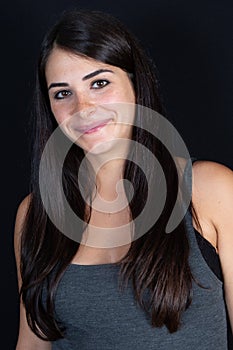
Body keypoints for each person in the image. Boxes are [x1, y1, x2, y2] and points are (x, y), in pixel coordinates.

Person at [14, 9, 233, 350]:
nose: (83, 108)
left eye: (99, 83)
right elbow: (32, 344)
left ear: (135, 83)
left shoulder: (209, 190)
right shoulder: (36, 215)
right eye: (62, 93)